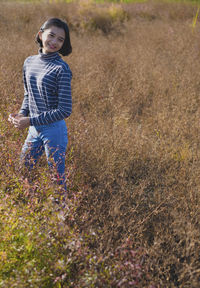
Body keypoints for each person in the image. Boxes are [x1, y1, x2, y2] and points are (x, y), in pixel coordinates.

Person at [8, 18, 72, 194]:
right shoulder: (29, 62)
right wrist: (21, 114)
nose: (54, 42)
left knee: (56, 178)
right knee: (23, 171)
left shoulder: (61, 69)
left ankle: (61, 218)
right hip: (33, 129)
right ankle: (32, 209)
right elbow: (29, 94)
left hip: (54, 130)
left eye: (60, 39)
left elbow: (65, 109)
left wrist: (29, 120)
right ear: (40, 34)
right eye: (51, 35)